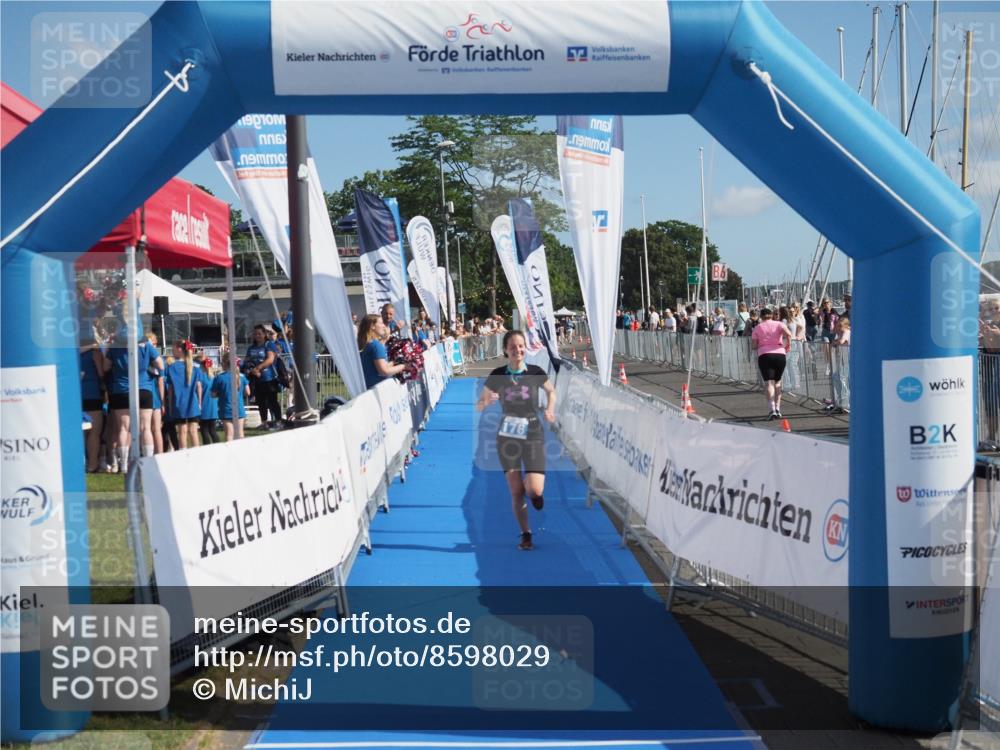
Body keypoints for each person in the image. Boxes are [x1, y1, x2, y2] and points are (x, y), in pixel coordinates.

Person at [476, 330, 556, 551]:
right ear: (505, 350)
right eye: (512, 347)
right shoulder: (497, 375)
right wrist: (487, 401)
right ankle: (526, 533)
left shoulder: (535, 372)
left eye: (520, 346)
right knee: (516, 491)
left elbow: (552, 392)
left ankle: (536, 495)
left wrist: (550, 409)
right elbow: (479, 405)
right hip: (507, 436)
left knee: (534, 491)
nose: (517, 350)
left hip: (532, 433)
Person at [103, 323, 163, 468]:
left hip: (121, 390)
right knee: (146, 428)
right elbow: (160, 365)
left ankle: (123, 464)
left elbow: (105, 367)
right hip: (143, 388)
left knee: (123, 428)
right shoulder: (146, 345)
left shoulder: (115, 346)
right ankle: (148, 462)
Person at [750, 307, 792, 420]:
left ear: (761, 316)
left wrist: (759, 345)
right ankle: (778, 409)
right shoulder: (779, 324)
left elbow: (754, 345)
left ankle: (772, 409)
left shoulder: (758, 327)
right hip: (780, 354)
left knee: (769, 383)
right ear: (771, 315)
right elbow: (789, 334)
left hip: (765, 355)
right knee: (777, 382)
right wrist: (788, 345)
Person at [165, 340, 203, 449]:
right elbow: (199, 387)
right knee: (193, 432)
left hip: (179, 403)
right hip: (193, 403)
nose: (172, 351)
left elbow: (170, 390)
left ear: (179, 349)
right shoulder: (196, 367)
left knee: (182, 432)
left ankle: (183, 454)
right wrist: (199, 403)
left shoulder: (171, 368)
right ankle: (197, 455)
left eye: (173, 349)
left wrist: (170, 405)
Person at [244, 323, 282, 430]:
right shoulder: (251, 348)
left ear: (265, 334)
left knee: (272, 401)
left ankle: (278, 421)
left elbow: (270, 359)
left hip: (269, 378)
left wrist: (258, 368)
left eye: (259, 333)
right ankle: (264, 422)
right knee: (261, 402)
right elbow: (247, 360)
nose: (257, 336)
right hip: (257, 379)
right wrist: (251, 369)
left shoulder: (269, 345)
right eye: (255, 334)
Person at [358, 314, 406, 389]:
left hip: (368, 389)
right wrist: (404, 366)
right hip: (377, 389)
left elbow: (378, 367)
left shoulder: (368, 344)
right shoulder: (376, 345)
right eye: (381, 323)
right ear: (372, 326)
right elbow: (384, 371)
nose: (384, 326)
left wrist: (395, 362)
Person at [80, 336, 106, 472]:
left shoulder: (71, 352)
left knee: (81, 432)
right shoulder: (95, 352)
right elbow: (101, 372)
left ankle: (82, 462)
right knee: (94, 432)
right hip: (92, 393)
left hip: (77, 394)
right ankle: (92, 464)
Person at [213, 353, 251, 441]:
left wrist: (221, 393)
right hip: (239, 408)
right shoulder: (241, 376)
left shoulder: (219, 377)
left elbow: (213, 394)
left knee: (229, 434)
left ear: (224, 363)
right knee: (240, 433)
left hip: (225, 409)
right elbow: (248, 392)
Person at [197, 356, 219, 445]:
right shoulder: (214, 377)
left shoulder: (201, 377)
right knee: (212, 430)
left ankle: (207, 448)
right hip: (213, 406)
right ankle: (217, 447)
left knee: (204, 429)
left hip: (204, 405)